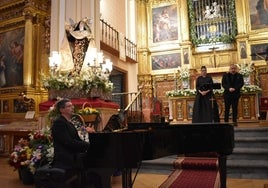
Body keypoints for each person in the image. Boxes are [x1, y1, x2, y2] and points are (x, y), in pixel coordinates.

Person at [51, 98, 102, 187]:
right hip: (65, 157)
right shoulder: (59, 123)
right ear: (62, 110)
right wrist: (88, 146)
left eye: (72, 105)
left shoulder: (69, 123)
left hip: (73, 154)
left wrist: (89, 146)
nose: (72, 107)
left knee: (95, 163)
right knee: (93, 164)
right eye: (69, 106)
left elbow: (77, 140)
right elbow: (68, 142)